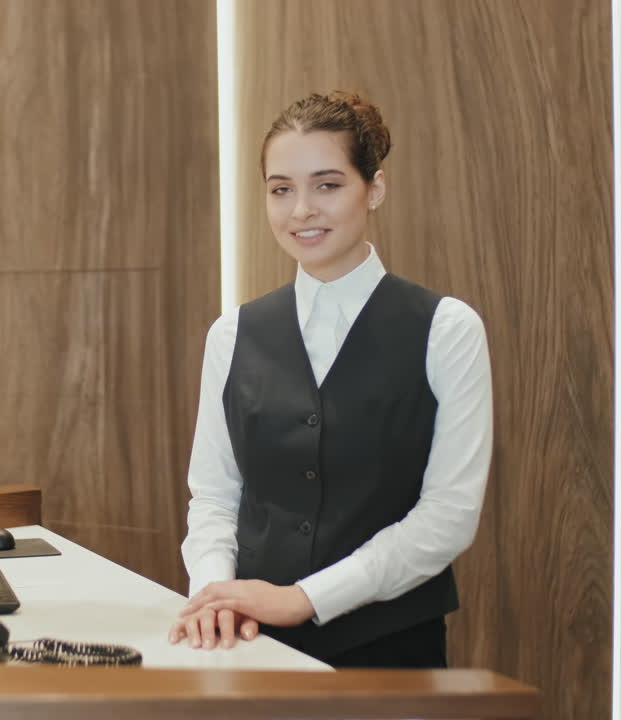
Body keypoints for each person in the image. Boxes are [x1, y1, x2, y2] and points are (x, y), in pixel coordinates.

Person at [166, 90, 492, 668]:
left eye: (328, 185)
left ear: (376, 188)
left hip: (392, 655)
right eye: (281, 189)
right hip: (250, 649)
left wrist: (304, 599)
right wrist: (215, 595)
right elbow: (215, 496)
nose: (301, 211)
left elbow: (447, 518)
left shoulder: (446, 329)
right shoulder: (232, 333)